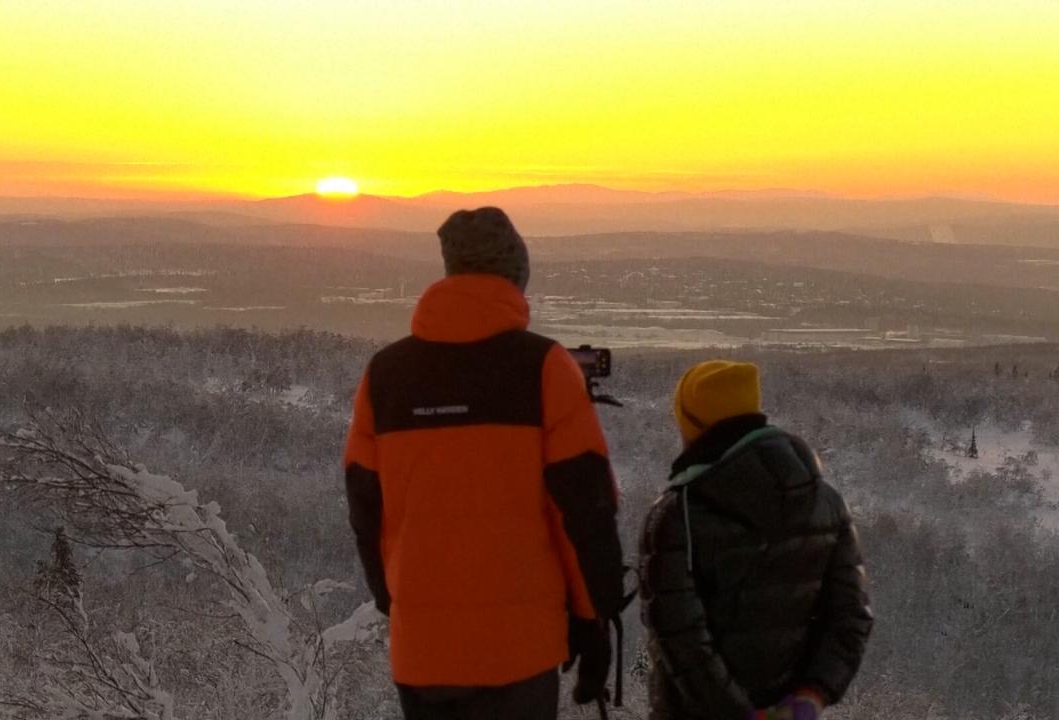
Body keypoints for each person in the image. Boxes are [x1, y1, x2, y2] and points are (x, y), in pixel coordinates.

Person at [343, 207, 625, 720]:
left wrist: (395, 600)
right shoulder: (544, 367)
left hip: (422, 653)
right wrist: (593, 619)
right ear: (515, 276)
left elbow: (365, 506)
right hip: (519, 652)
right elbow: (585, 512)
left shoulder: (384, 375)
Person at [638, 361, 873, 720]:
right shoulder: (824, 501)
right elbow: (850, 617)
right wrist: (811, 696)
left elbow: (682, 643)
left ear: (693, 426)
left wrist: (740, 715)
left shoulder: (677, 516)